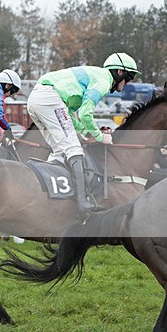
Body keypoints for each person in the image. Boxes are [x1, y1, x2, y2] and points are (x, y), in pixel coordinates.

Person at [27, 52, 140, 218]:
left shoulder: (94, 77)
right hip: (49, 98)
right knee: (74, 150)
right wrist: (101, 138)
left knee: (60, 151)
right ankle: (84, 201)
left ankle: (50, 197)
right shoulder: (103, 80)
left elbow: (74, 118)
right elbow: (86, 114)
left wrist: (87, 134)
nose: (127, 84)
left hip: (37, 99)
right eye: (129, 79)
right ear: (119, 73)